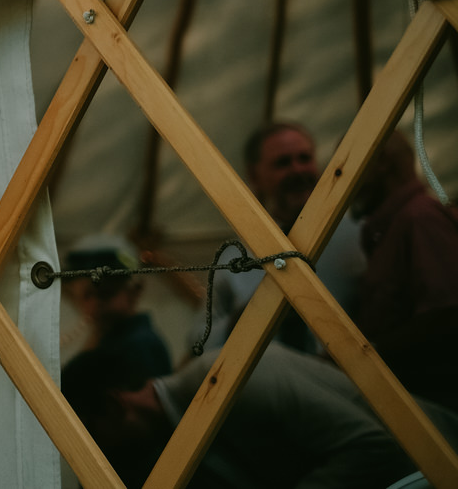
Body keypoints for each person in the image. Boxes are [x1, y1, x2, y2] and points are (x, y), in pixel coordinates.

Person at [63, 341, 458, 489]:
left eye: (92, 439)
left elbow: (373, 446)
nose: (99, 455)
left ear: (114, 406)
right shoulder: (185, 426)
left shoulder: (223, 380)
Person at [203, 122, 365, 353]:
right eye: (283, 163)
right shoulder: (234, 257)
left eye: (304, 158)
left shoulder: (357, 237)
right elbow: (198, 337)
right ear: (254, 175)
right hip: (261, 378)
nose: (298, 170)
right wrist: (244, 320)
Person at [350, 130, 458, 411]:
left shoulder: (419, 218)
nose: (347, 183)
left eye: (350, 166)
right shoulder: (393, 226)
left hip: (429, 411)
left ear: (382, 162)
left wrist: (364, 354)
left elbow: (446, 314)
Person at [62, 236, 171, 381]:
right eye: (86, 296)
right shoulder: (107, 342)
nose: (94, 304)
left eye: (105, 293)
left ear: (134, 291)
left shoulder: (138, 348)